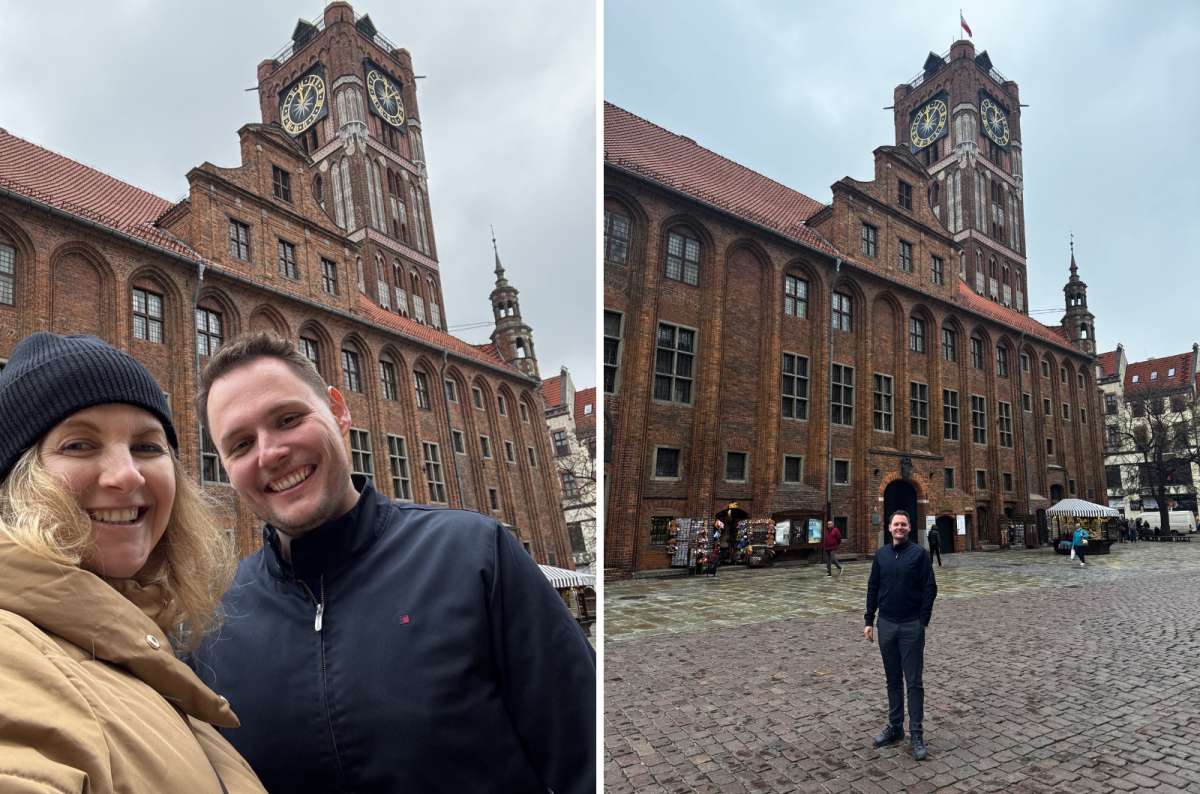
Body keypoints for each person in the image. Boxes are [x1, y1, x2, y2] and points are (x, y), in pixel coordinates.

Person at [189, 333, 595, 794]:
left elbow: (584, 754)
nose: (270, 452)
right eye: (240, 445)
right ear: (224, 464)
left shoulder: (475, 556)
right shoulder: (217, 623)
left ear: (339, 410)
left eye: (288, 419)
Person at [0, 332, 264, 793]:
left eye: (147, 446)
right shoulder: (13, 659)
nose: (127, 474)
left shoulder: (137, 648)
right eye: (78, 445)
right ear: (15, 482)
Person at [863, 510, 937, 761]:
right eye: (896, 524)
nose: (900, 528)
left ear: (909, 527)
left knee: (914, 682)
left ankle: (916, 733)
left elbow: (930, 588)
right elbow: (873, 587)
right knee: (892, 679)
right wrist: (868, 620)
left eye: (904, 524)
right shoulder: (882, 555)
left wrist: (922, 620)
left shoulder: (920, 554)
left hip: (910, 626)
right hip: (886, 625)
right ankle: (895, 727)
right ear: (889, 527)